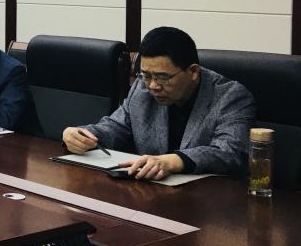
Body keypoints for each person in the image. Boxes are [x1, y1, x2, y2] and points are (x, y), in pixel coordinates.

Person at [62, 26, 256, 180]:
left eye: (163, 77)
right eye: (146, 75)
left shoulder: (230, 96)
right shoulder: (142, 88)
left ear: (193, 72)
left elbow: (231, 152)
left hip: (209, 203)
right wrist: (81, 135)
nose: (153, 86)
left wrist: (174, 161)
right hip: (151, 195)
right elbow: (116, 127)